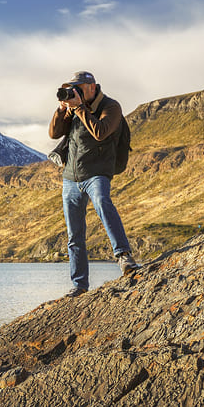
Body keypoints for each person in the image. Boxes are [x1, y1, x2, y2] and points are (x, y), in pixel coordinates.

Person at [49, 71, 140, 297]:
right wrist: (62, 110)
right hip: (71, 177)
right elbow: (53, 134)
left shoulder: (111, 106)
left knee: (102, 202)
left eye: (78, 87)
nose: (75, 91)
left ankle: (124, 257)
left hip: (97, 172)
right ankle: (79, 285)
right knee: (74, 234)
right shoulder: (71, 108)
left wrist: (80, 109)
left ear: (91, 87)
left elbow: (100, 132)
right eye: (72, 88)